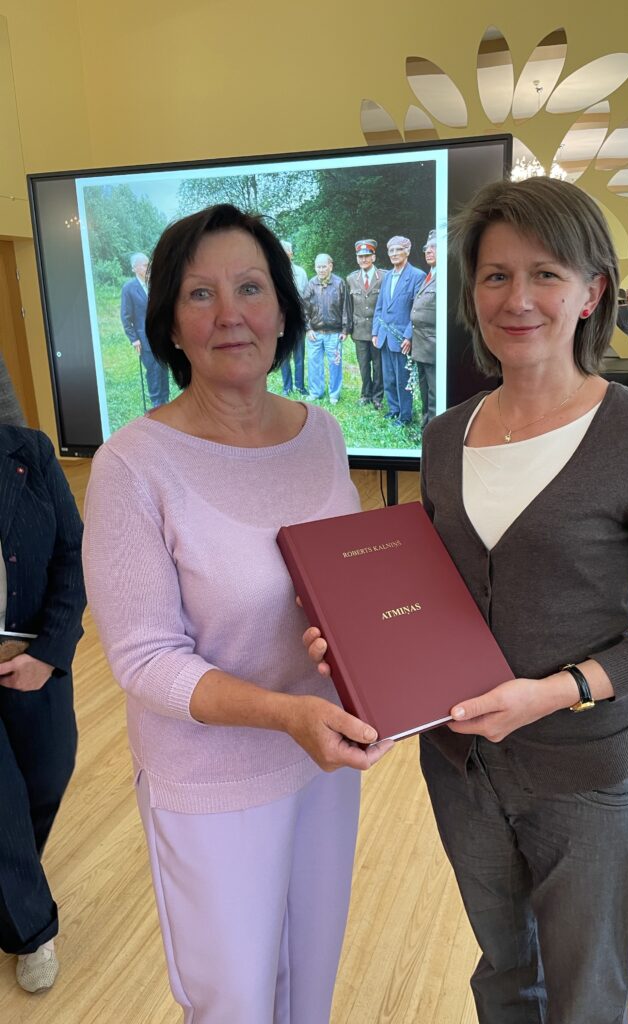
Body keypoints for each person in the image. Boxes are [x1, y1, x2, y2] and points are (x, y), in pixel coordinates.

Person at [305, 177, 628, 1024]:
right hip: (462, 767)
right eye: (496, 275)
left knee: (587, 1000)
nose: (518, 298)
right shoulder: (445, 435)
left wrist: (559, 690)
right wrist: (354, 642)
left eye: (546, 274)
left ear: (592, 292)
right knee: (505, 975)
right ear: (471, 292)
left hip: (587, 778)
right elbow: (428, 590)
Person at [82, 204, 391, 1024]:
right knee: (235, 1002)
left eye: (250, 288)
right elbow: (145, 659)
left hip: (324, 759)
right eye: (200, 294)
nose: (230, 314)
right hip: (212, 780)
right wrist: (285, 714)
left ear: (283, 310)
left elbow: (346, 583)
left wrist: (382, 666)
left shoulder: (322, 433)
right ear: (169, 324)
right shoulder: (133, 466)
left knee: (311, 981)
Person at [0, 425, 85, 994]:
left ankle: (13, 881)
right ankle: (30, 929)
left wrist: (49, 653)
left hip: (29, 656)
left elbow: (73, 553)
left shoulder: (28, 451)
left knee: (48, 774)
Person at [372, 235, 425, 426]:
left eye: (398, 250)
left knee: (403, 378)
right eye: (391, 250)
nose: (394, 254)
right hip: (385, 336)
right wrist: (375, 332)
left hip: (402, 337)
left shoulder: (417, 276)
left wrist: (409, 336)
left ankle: (405, 415)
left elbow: (417, 310)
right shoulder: (387, 276)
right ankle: (394, 409)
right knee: (389, 376)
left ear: (407, 252)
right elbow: (380, 306)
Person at [121, 251, 170, 408]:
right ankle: (157, 404)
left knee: (163, 368)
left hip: (162, 336)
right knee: (153, 370)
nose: (148, 267)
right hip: (145, 339)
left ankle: (166, 402)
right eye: (144, 265)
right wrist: (134, 339)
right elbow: (126, 316)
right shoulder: (129, 288)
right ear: (134, 268)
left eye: (149, 264)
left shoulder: (155, 284)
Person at [305, 253, 350, 404]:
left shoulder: (339, 283)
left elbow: (345, 308)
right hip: (315, 333)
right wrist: (308, 329)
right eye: (318, 267)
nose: (321, 270)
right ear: (315, 267)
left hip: (334, 333)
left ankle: (334, 394)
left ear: (330, 266)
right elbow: (304, 308)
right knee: (314, 364)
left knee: (335, 364)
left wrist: (345, 330)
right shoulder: (311, 284)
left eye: (324, 266)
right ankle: (316, 392)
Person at [346, 239, 385, 408]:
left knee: (378, 365)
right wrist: (348, 328)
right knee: (363, 365)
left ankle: (377, 397)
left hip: (378, 330)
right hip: (359, 330)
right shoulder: (351, 279)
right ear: (357, 259)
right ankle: (365, 394)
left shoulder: (384, 276)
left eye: (367, 256)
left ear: (373, 257)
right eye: (360, 257)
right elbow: (348, 307)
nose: (364, 259)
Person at [410, 229, 438, 428]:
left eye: (434, 247)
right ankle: (425, 425)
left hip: (433, 345)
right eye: (427, 248)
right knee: (424, 389)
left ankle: (434, 428)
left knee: (435, 391)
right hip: (420, 345)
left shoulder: (445, 278)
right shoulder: (430, 275)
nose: (429, 251)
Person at [279, 240, 310, 397]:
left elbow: (306, 299)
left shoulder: (301, 273)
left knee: (299, 356)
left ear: (291, 254)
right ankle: (287, 387)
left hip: (298, 321)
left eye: (286, 253)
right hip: (281, 322)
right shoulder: (273, 273)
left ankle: (300, 386)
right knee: (284, 356)